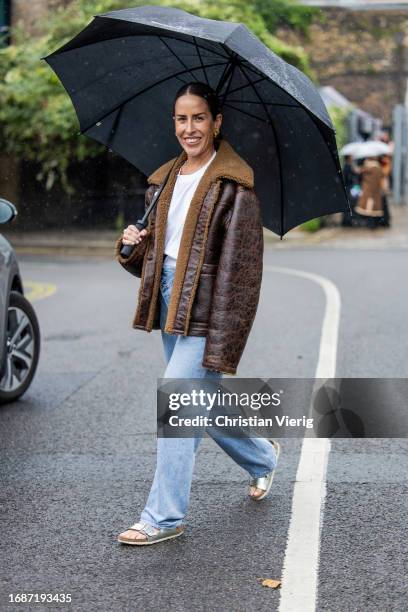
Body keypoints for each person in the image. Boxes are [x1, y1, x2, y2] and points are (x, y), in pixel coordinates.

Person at [114, 82, 280, 545]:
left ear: (217, 122)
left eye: (199, 118)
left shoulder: (234, 185)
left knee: (177, 400)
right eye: (182, 119)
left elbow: (243, 273)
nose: (190, 128)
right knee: (200, 403)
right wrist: (134, 246)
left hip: (208, 306)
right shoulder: (165, 178)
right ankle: (262, 457)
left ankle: (163, 517)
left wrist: (226, 339)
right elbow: (159, 259)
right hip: (171, 299)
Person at [354, 156, 384, 229]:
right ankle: (374, 224)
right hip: (375, 191)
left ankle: (369, 224)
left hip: (367, 191)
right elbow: (381, 178)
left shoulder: (366, 168)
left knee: (367, 209)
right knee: (374, 209)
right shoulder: (378, 168)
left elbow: (359, 173)